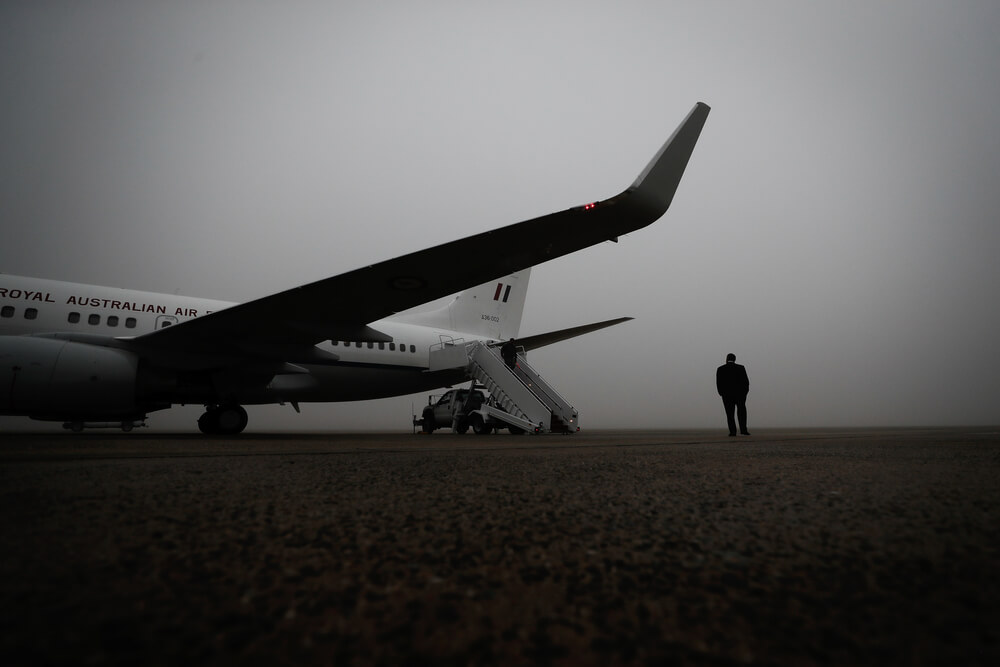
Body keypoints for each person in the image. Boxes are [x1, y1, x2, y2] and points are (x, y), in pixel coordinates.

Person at [716, 353, 750, 436]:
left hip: (727, 395)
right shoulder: (741, 368)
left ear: (727, 359)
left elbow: (718, 383)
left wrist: (721, 393)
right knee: (741, 412)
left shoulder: (721, 369)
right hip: (740, 394)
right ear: (735, 359)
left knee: (730, 414)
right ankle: (743, 430)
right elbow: (746, 382)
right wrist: (745, 393)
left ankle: (732, 431)